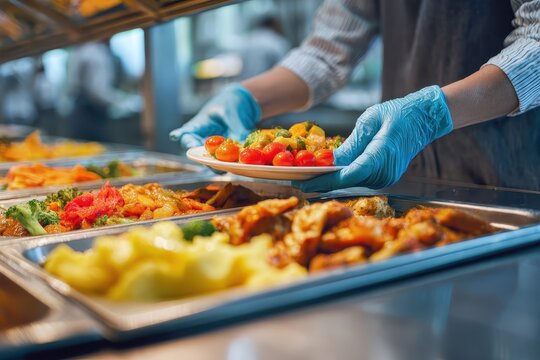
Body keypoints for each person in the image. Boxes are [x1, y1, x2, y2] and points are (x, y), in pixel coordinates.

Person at [170, 0, 540, 192]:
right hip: (411, 183)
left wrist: (433, 113)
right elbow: (328, 49)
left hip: (515, 180)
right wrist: (246, 97)